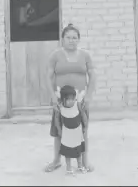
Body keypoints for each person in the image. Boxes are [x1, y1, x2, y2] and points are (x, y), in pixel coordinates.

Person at [44, 23, 96, 173]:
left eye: (74, 37)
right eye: (68, 37)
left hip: (80, 100)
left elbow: (93, 75)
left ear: (79, 39)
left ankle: (85, 161)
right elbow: (48, 77)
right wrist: (53, 96)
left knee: (82, 130)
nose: (71, 40)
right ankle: (56, 161)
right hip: (61, 100)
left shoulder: (85, 55)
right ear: (62, 39)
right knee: (59, 132)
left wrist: (89, 96)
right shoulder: (55, 55)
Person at [54, 85, 88, 175]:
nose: (72, 101)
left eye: (73, 98)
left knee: (79, 151)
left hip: (77, 133)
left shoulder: (77, 105)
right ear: (63, 99)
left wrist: (85, 127)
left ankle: (80, 166)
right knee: (67, 152)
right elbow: (56, 119)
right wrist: (59, 130)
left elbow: (83, 115)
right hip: (66, 133)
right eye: (69, 99)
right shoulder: (60, 107)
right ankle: (69, 168)